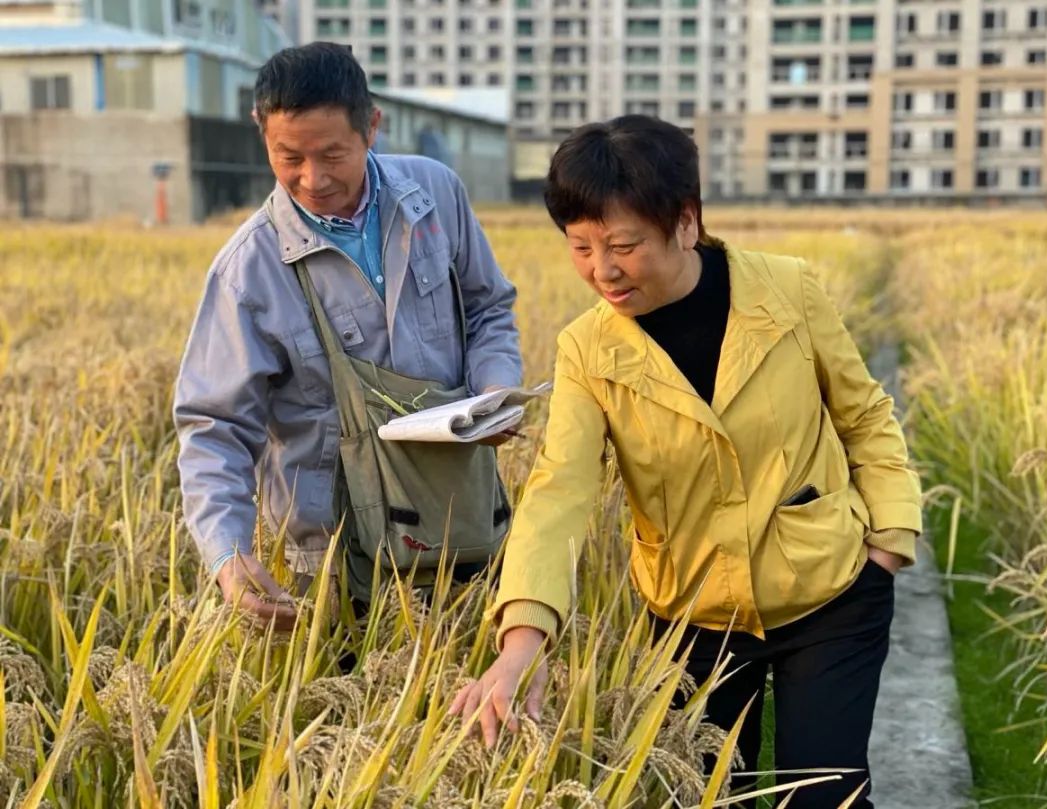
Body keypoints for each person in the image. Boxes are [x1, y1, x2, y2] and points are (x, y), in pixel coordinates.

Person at [450, 116, 922, 808]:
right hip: (691, 612)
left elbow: (865, 417)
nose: (601, 270)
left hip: (828, 590)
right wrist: (523, 640)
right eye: (580, 247)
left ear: (686, 222)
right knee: (698, 794)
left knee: (822, 797)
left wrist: (890, 542)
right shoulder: (588, 349)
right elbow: (560, 492)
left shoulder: (789, 291)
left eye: (623, 245)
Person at [174, 43, 521, 630]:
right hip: (332, 554)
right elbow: (215, 426)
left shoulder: (435, 195)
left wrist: (496, 391)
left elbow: (488, 308)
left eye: (333, 153)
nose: (313, 178)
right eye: (289, 157)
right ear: (262, 133)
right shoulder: (248, 270)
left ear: (372, 128)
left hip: (461, 523)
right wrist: (227, 555)